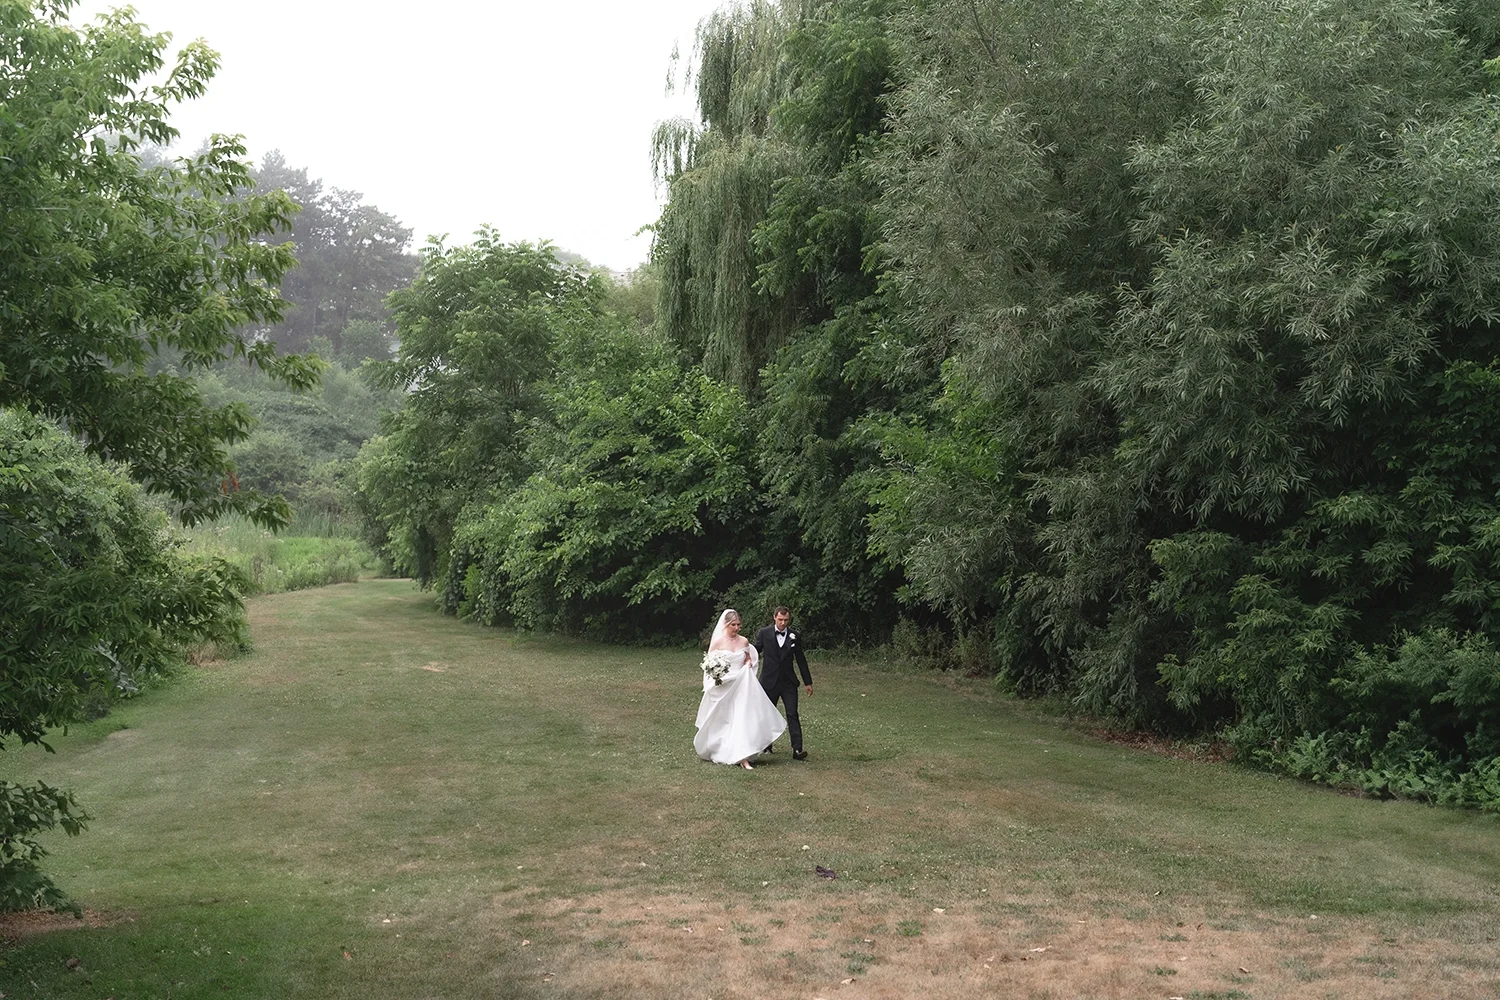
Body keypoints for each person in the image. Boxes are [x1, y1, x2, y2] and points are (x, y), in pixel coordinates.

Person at [694, 609, 786, 769]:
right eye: (733, 625)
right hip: (724, 685)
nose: (736, 628)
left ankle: (743, 756)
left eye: (738, 624)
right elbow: (709, 664)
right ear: (726, 625)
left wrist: (748, 663)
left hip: (741, 684)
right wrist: (716, 675)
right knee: (724, 719)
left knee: (741, 718)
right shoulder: (718, 643)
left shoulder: (743, 641)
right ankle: (722, 747)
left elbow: (748, 657)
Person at [753, 606, 813, 760]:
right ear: (774, 617)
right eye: (780, 619)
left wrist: (808, 682)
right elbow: (755, 651)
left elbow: (800, 659)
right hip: (768, 681)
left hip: (788, 682)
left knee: (792, 713)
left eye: (786, 620)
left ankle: (797, 749)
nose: (783, 623)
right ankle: (766, 745)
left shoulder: (795, 635)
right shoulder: (764, 633)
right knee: (766, 714)